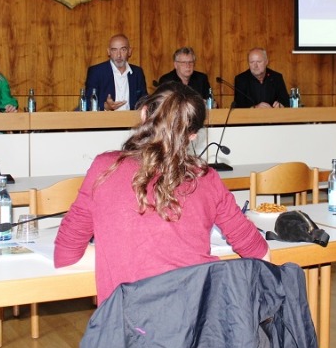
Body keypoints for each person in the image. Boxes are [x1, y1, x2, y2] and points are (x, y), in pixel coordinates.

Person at [54, 82, 270, 303]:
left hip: (128, 331)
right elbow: (261, 254)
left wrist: (122, 254)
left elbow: (66, 257)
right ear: (194, 135)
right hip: (198, 327)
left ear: (144, 112)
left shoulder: (105, 168)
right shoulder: (207, 178)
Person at [84, 34, 148, 111]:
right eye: (114, 50)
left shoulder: (137, 72)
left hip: (132, 121)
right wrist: (105, 106)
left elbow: (144, 100)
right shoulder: (96, 72)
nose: (119, 55)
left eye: (123, 49)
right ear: (109, 52)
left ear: (129, 51)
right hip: (105, 120)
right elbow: (88, 101)